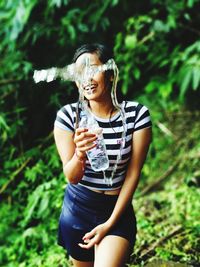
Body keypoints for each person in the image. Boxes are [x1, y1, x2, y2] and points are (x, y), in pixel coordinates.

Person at [54, 43, 152, 267]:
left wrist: (110, 223)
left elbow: (133, 174)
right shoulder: (68, 117)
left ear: (110, 72)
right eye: (80, 74)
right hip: (78, 209)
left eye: (93, 70)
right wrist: (79, 154)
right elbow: (71, 176)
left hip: (116, 209)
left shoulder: (136, 115)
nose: (87, 79)